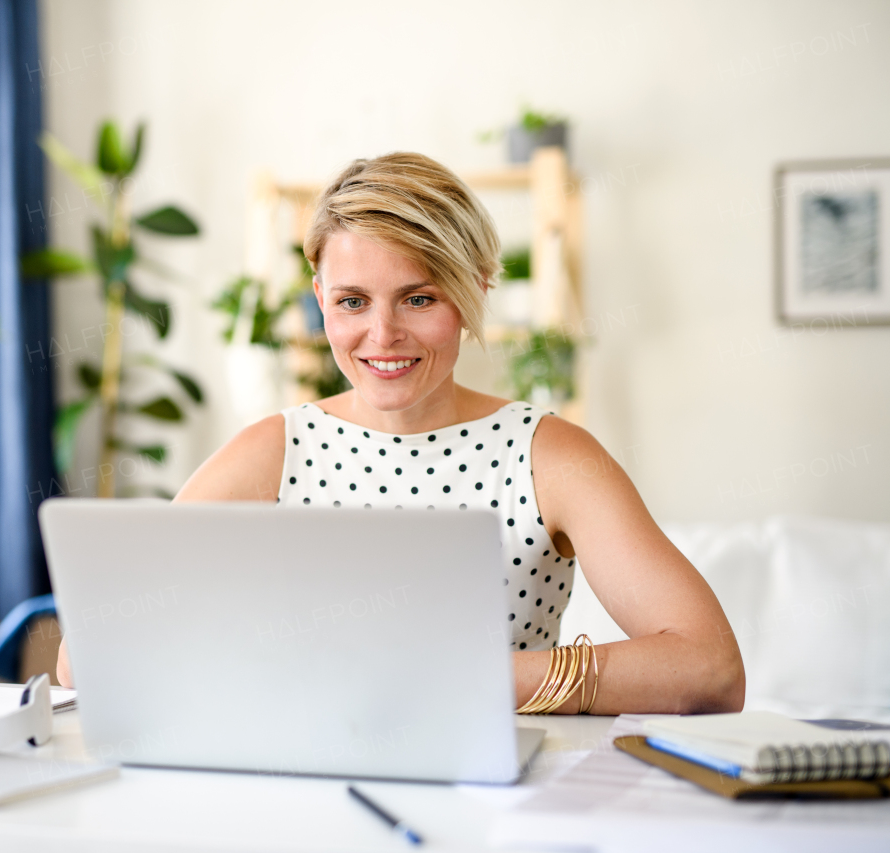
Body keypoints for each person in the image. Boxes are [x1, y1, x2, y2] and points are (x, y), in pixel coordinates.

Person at [58, 152, 745, 715]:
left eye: (419, 297)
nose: (382, 337)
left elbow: (710, 668)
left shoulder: (550, 456)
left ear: (474, 287)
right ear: (321, 296)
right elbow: (85, 655)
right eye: (352, 301)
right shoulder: (274, 451)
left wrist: (459, 678)